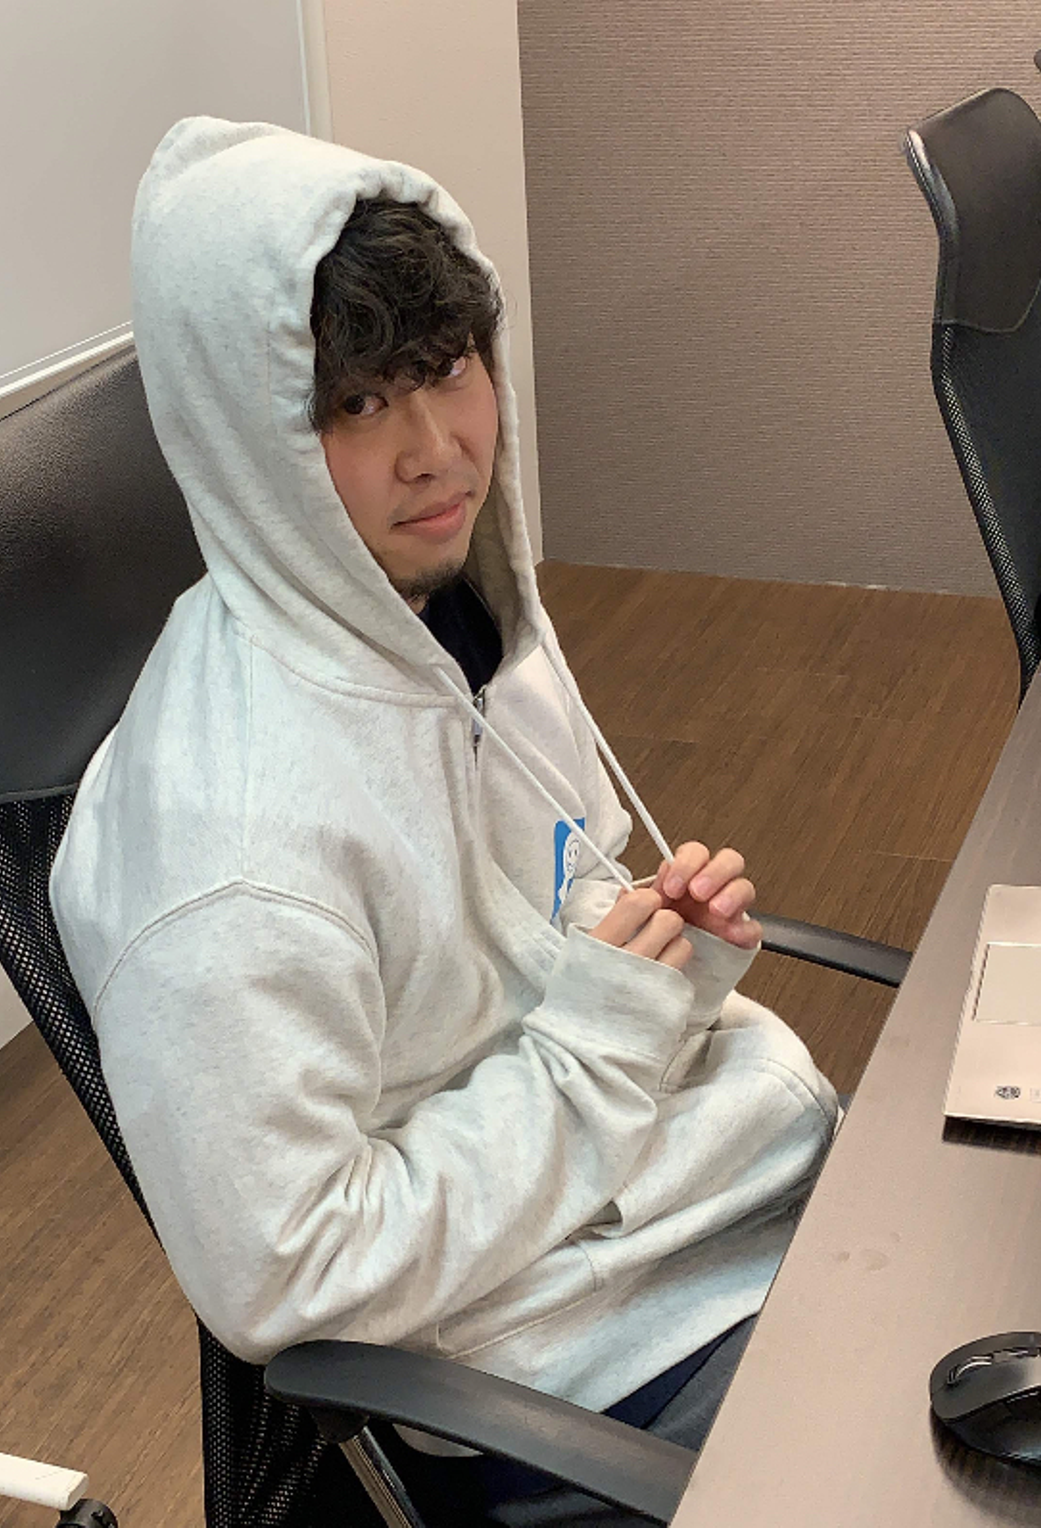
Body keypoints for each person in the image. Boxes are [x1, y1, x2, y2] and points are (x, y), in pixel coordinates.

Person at [50, 117, 838, 1525]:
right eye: (358, 405)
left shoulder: (452, 624)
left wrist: (642, 952)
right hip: (570, 1368)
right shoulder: (233, 860)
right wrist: (604, 1039)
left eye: (449, 369)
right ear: (250, 444)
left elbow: (530, 918)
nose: (437, 452)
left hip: (709, 1205)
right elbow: (287, 1277)